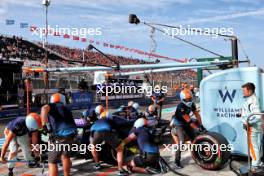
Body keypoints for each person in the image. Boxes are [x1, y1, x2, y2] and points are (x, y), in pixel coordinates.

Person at [41, 93, 77, 176]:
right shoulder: (67, 108)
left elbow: (43, 108)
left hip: (59, 137)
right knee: (65, 156)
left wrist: (44, 125)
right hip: (71, 136)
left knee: (52, 161)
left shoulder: (52, 106)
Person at [170, 89, 205, 168]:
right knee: (182, 141)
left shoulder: (192, 104)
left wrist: (201, 125)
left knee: (194, 138)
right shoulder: (181, 106)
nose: (189, 101)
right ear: (182, 99)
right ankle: (177, 161)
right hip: (179, 124)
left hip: (186, 122)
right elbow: (188, 121)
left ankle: (196, 156)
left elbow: (197, 114)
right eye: (187, 100)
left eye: (190, 99)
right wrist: (197, 128)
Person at [89, 111, 129, 176]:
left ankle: (97, 164)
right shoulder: (109, 120)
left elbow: (91, 133)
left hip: (94, 132)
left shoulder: (96, 121)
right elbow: (118, 130)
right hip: (106, 131)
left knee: (92, 147)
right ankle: (120, 170)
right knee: (119, 149)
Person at [240, 82, 263, 170]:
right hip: (254, 127)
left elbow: (257, 116)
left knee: (253, 146)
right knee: (256, 145)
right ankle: (258, 162)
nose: (243, 92)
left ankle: (255, 164)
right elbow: (251, 112)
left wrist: (247, 123)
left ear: (249, 91)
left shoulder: (251, 101)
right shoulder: (252, 99)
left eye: (244, 90)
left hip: (252, 127)